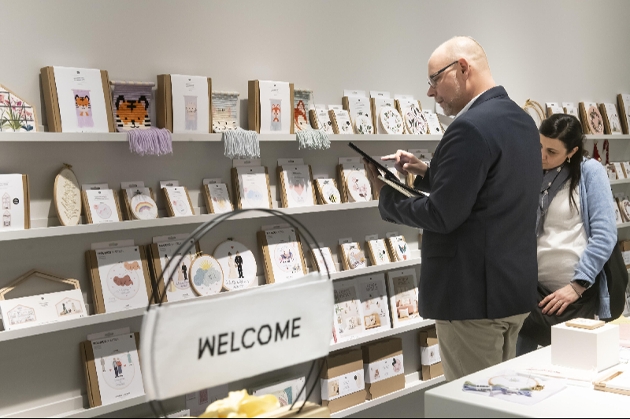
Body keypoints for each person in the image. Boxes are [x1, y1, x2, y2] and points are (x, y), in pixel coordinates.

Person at [365, 36, 542, 381]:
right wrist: (428, 174)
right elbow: (489, 192)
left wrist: (386, 197)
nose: (431, 93)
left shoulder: (469, 127)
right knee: (500, 400)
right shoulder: (520, 121)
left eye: (434, 80)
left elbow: (443, 215)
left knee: (472, 404)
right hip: (511, 292)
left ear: (462, 68)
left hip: (471, 297)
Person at [517, 114, 617, 355]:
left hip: (576, 296)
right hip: (534, 293)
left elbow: (604, 235)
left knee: (574, 369)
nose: (542, 156)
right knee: (524, 375)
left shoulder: (589, 173)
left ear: (572, 151)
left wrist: (577, 285)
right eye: (539, 146)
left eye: (552, 152)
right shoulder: (532, 172)